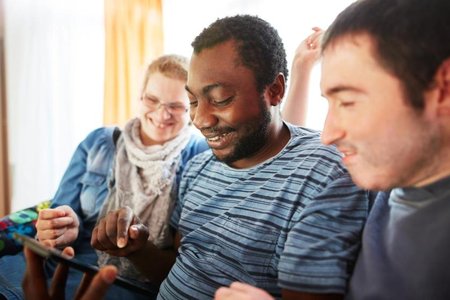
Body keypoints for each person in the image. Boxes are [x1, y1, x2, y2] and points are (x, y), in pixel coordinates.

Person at [87, 14, 370, 299]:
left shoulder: (322, 172)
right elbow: (181, 268)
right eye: (194, 102)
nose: (200, 119)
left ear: (275, 90)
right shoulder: (198, 168)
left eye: (220, 99)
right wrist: (137, 247)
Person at [214, 0, 450, 299]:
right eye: (329, 103)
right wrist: (304, 66)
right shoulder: (395, 179)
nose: (328, 135)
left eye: (348, 102)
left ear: (443, 89)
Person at [0, 54, 209, 299]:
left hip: (123, 284)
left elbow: (188, 260)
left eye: (176, 106)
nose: (162, 114)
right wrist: (63, 226)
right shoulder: (98, 142)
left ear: (192, 110)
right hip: (59, 262)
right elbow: (61, 211)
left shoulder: (200, 156)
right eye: (153, 100)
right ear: (140, 97)